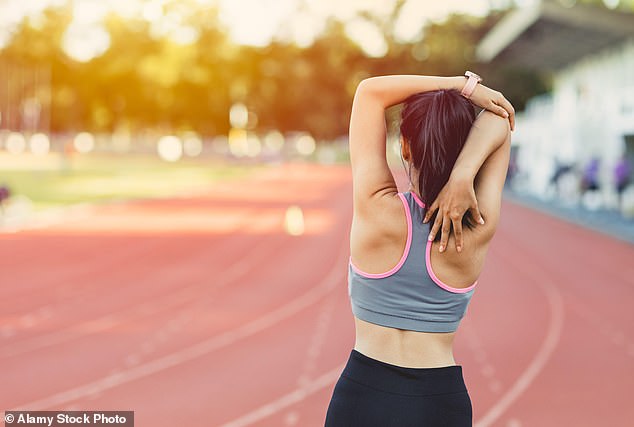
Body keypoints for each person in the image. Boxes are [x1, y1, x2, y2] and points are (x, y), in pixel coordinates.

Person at [324, 74, 514, 426]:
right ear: (465, 150)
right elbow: (502, 118)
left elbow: (368, 92)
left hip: (363, 396)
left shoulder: (376, 209)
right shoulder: (478, 226)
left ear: (405, 148)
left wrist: (462, 85)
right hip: (439, 404)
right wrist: (463, 173)